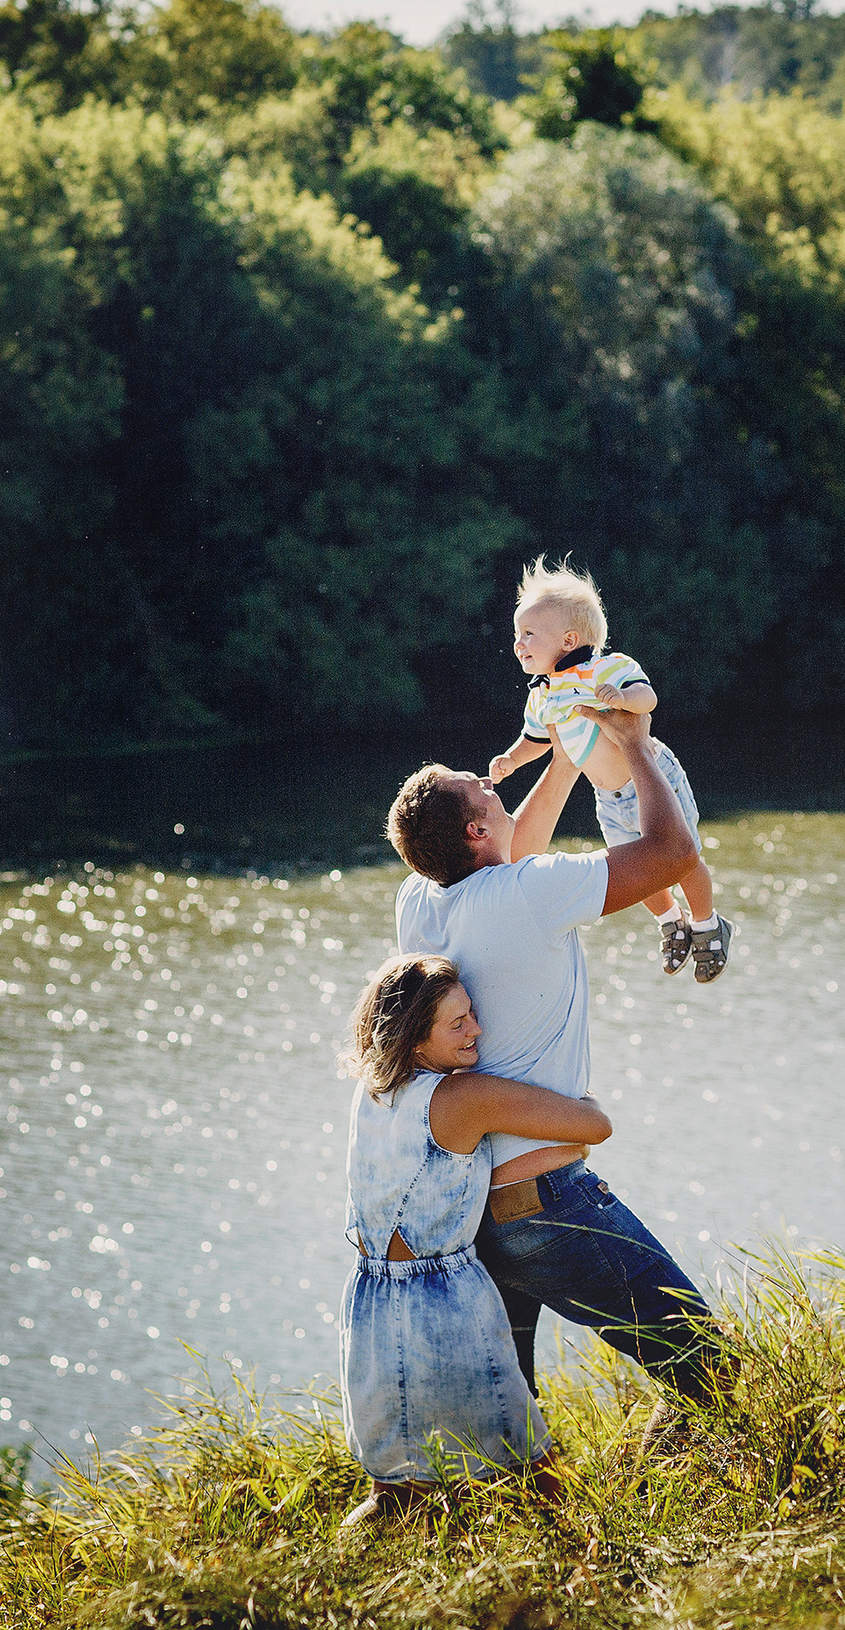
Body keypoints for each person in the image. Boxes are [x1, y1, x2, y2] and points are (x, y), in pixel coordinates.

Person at [388, 696, 725, 1451]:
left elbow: (503, 860)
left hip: (475, 1216)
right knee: (716, 1375)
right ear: (478, 828)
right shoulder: (530, 892)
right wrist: (633, 747)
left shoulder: (418, 903)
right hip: (551, 1209)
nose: (488, 779)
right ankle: (660, 1483)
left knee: (511, 1434)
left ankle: (553, 1528)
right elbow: (671, 853)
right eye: (481, 788)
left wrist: (570, 754)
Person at [334, 953, 612, 1525]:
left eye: (472, 1015)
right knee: (535, 1479)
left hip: (369, 1311)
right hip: (445, 1310)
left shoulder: (370, 1092)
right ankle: (580, 1583)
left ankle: (338, 1588)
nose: (477, 1029)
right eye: (457, 1023)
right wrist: (582, 1104)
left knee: (397, 1494)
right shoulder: (464, 1098)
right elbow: (595, 1126)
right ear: (415, 1040)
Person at [487, 558, 733, 983]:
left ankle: (708, 924)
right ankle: (670, 920)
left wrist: (621, 697)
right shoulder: (542, 696)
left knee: (682, 857)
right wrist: (512, 759)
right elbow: (537, 741)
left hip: (653, 778)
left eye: (529, 634)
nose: (518, 643)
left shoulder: (605, 668)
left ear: (568, 639)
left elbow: (647, 700)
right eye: (516, 634)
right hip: (608, 796)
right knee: (637, 866)